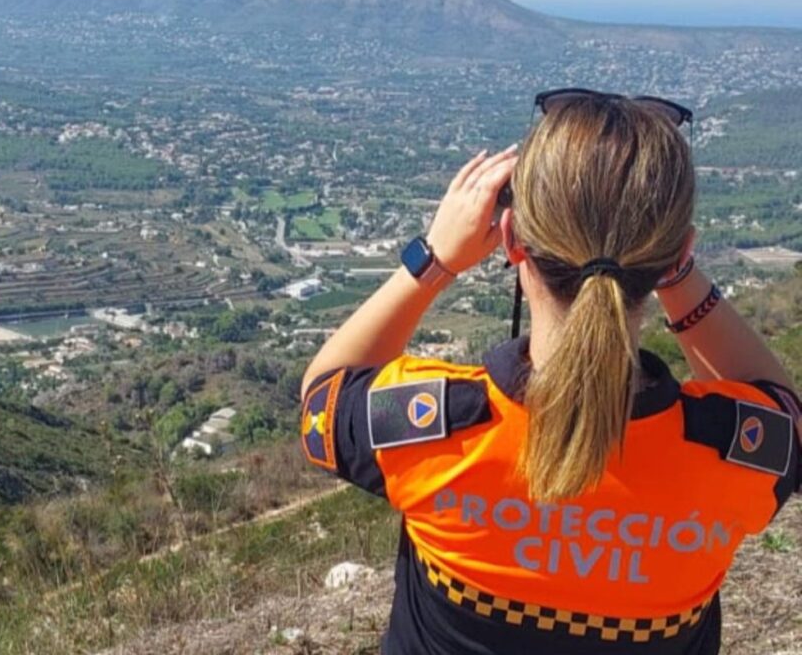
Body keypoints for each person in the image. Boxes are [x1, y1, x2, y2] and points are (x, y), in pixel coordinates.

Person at [299, 90, 801, 655]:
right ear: (680, 251)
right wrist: (679, 279)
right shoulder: (729, 458)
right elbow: (784, 415)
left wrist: (435, 258)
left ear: (511, 238)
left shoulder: (435, 432)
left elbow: (322, 401)